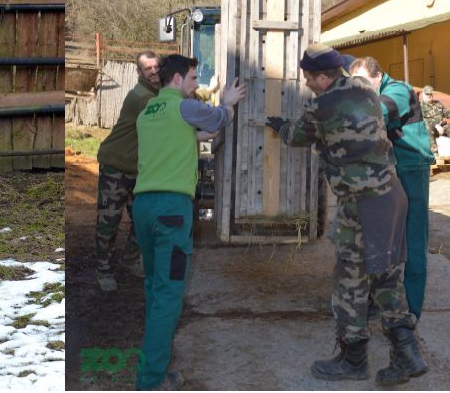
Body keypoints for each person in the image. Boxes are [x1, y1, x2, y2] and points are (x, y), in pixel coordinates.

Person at [268, 44, 426, 385]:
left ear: (323, 77)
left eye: (310, 77)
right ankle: (407, 353)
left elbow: (297, 136)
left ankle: (354, 360)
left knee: (350, 280)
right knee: (386, 277)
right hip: (392, 196)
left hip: (362, 203)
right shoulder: (365, 90)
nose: (307, 82)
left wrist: (280, 125)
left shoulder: (321, 105)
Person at [133, 54, 246, 390]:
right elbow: (218, 117)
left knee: (155, 288)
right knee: (169, 296)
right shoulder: (184, 107)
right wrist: (228, 103)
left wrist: (204, 133)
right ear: (178, 79)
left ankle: (157, 366)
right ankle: (149, 381)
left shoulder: (149, 111)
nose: (197, 85)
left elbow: (186, 136)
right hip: (171, 209)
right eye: (194, 79)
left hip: (143, 207)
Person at [349, 57, 433, 320]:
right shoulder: (371, 91)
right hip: (388, 171)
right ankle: (380, 299)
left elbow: (378, 113)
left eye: (363, 84)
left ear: (378, 77)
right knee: (382, 238)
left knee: (413, 242)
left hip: (410, 170)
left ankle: (411, 313)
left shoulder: (398, 90)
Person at [94, 51, 160, 292]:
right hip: (116, 165)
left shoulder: (158, 93)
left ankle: (130, 259)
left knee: (143, 219)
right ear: (139, 72)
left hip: (137, 170)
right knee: (108, 221)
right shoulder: (141, 97)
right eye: (148, 68)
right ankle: (103, 270)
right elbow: (173, 109)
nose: (153, 72)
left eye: (156, 67)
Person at [420, 85, 450, 156]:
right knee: (427, 127)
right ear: (423, 94)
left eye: (430, 94)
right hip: (430, 129)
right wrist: (436, 125)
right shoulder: (420, 106)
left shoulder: (438, 103)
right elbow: (423, 120)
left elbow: (447, 113)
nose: (429, 96)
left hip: (442, 127)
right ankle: (434, 154)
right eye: (427, 94)